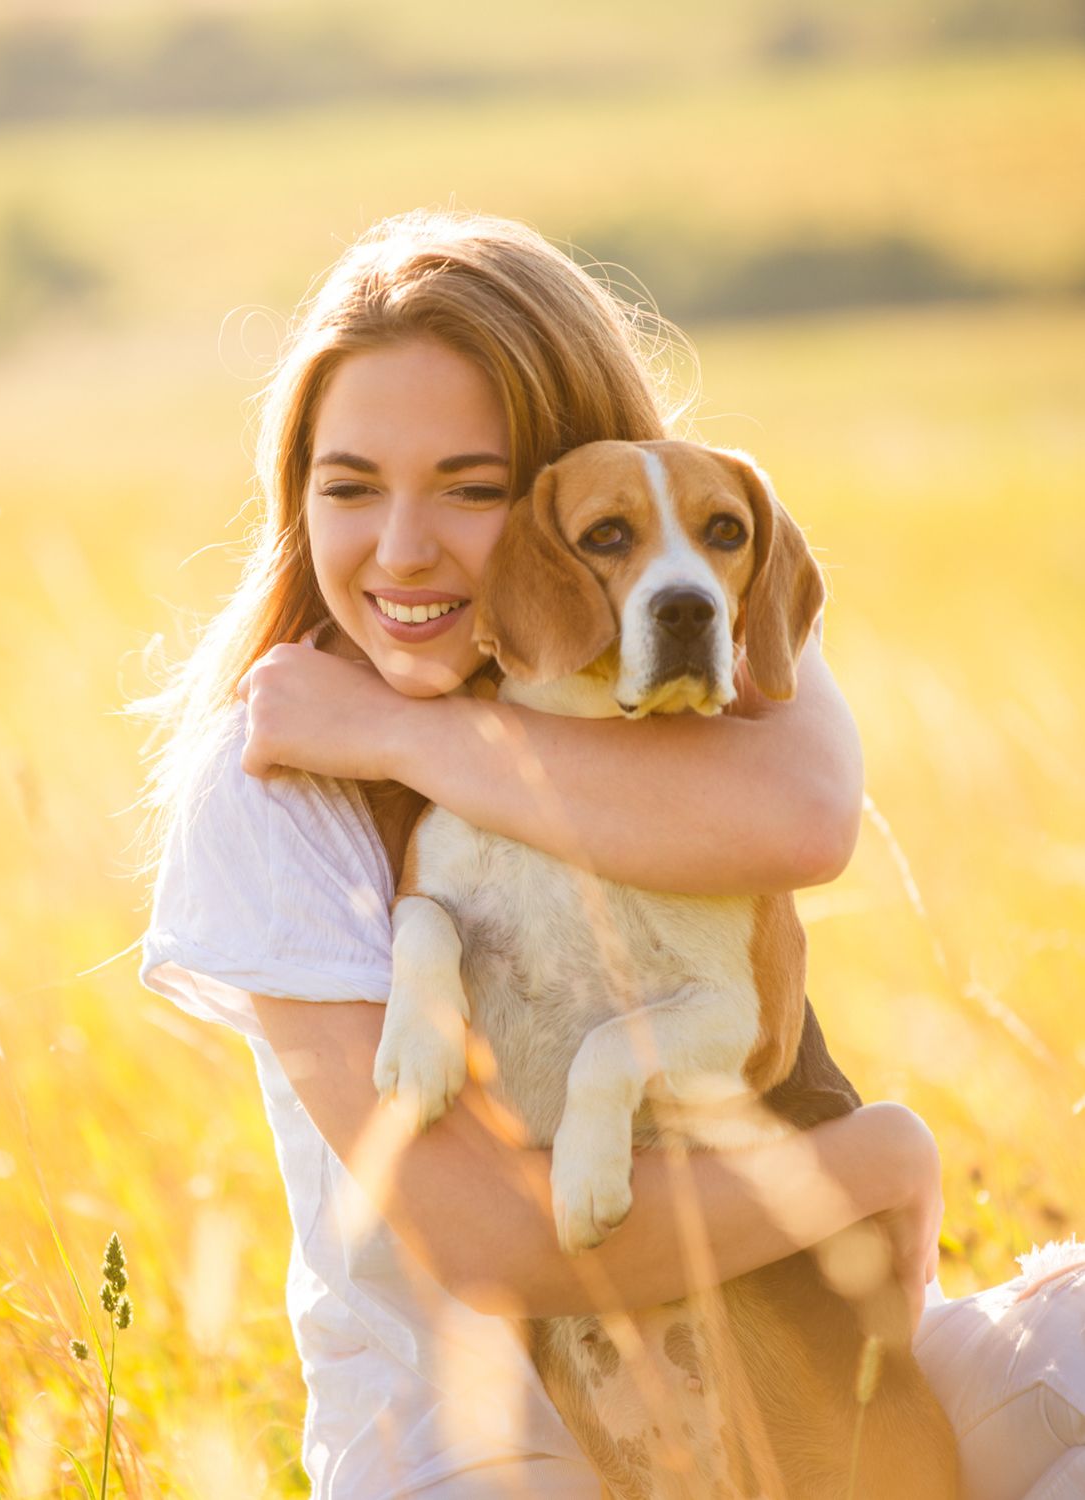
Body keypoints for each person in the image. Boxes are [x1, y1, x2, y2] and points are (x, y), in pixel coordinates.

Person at [139, 209, 1084, 1498]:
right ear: (296, 500)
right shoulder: (263, 788)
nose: (402, 548)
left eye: (471, 488)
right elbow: (496, 1243)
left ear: (561, 483)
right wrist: (870, 1162)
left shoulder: (686, 603)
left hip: (795, 1366)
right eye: (349, 486)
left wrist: (408, 734)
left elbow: (808, 817)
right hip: (480, 1441)